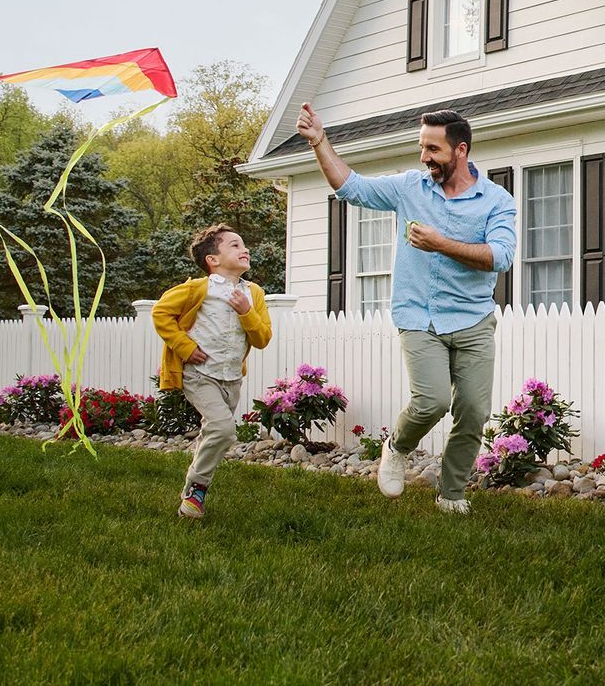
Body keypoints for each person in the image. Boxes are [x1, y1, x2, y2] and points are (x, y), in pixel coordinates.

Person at [295, 103, 517, 513]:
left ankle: (451, 494)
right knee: (431, 400)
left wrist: (440, 244)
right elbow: (352, 187)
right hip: (420, 317)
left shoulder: (496, 201)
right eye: (422, 147)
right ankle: (396, 447)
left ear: (461, 150)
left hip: (472, 319)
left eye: (433, 149)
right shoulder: (409, 188)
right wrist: (320, 143)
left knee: (472, 410)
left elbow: (500, 256)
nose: (424, 157)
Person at [152, 224, 273, 520]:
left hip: (232, 379)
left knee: (213, 432)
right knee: (223, 429)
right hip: (200, 374)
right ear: (213, 260)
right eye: (234, 245)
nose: (244, 249)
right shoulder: (198, 289)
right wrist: (184, 347)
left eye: (243, 244)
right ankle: (196, 490)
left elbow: (262, 339)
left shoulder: (253, 294)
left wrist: (246, 311)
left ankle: (194, 490)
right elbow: (160, 312)